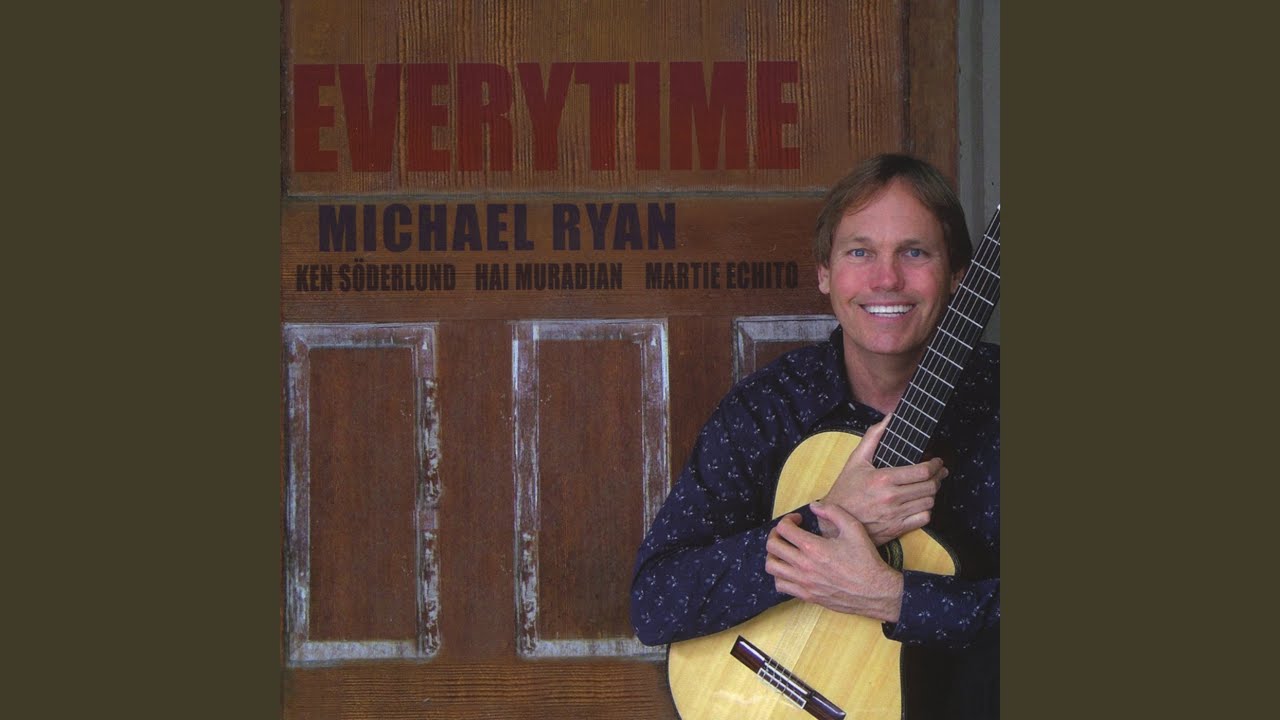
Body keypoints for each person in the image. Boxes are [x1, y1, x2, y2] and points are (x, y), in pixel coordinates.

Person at [629, 153, 999, 718]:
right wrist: (824, 519)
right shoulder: (769, 407)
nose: (886, 279)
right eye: (860, 252)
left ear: (958, 275)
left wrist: (894, 597)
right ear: (825, 272)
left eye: (915, 252)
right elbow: (655, 603)